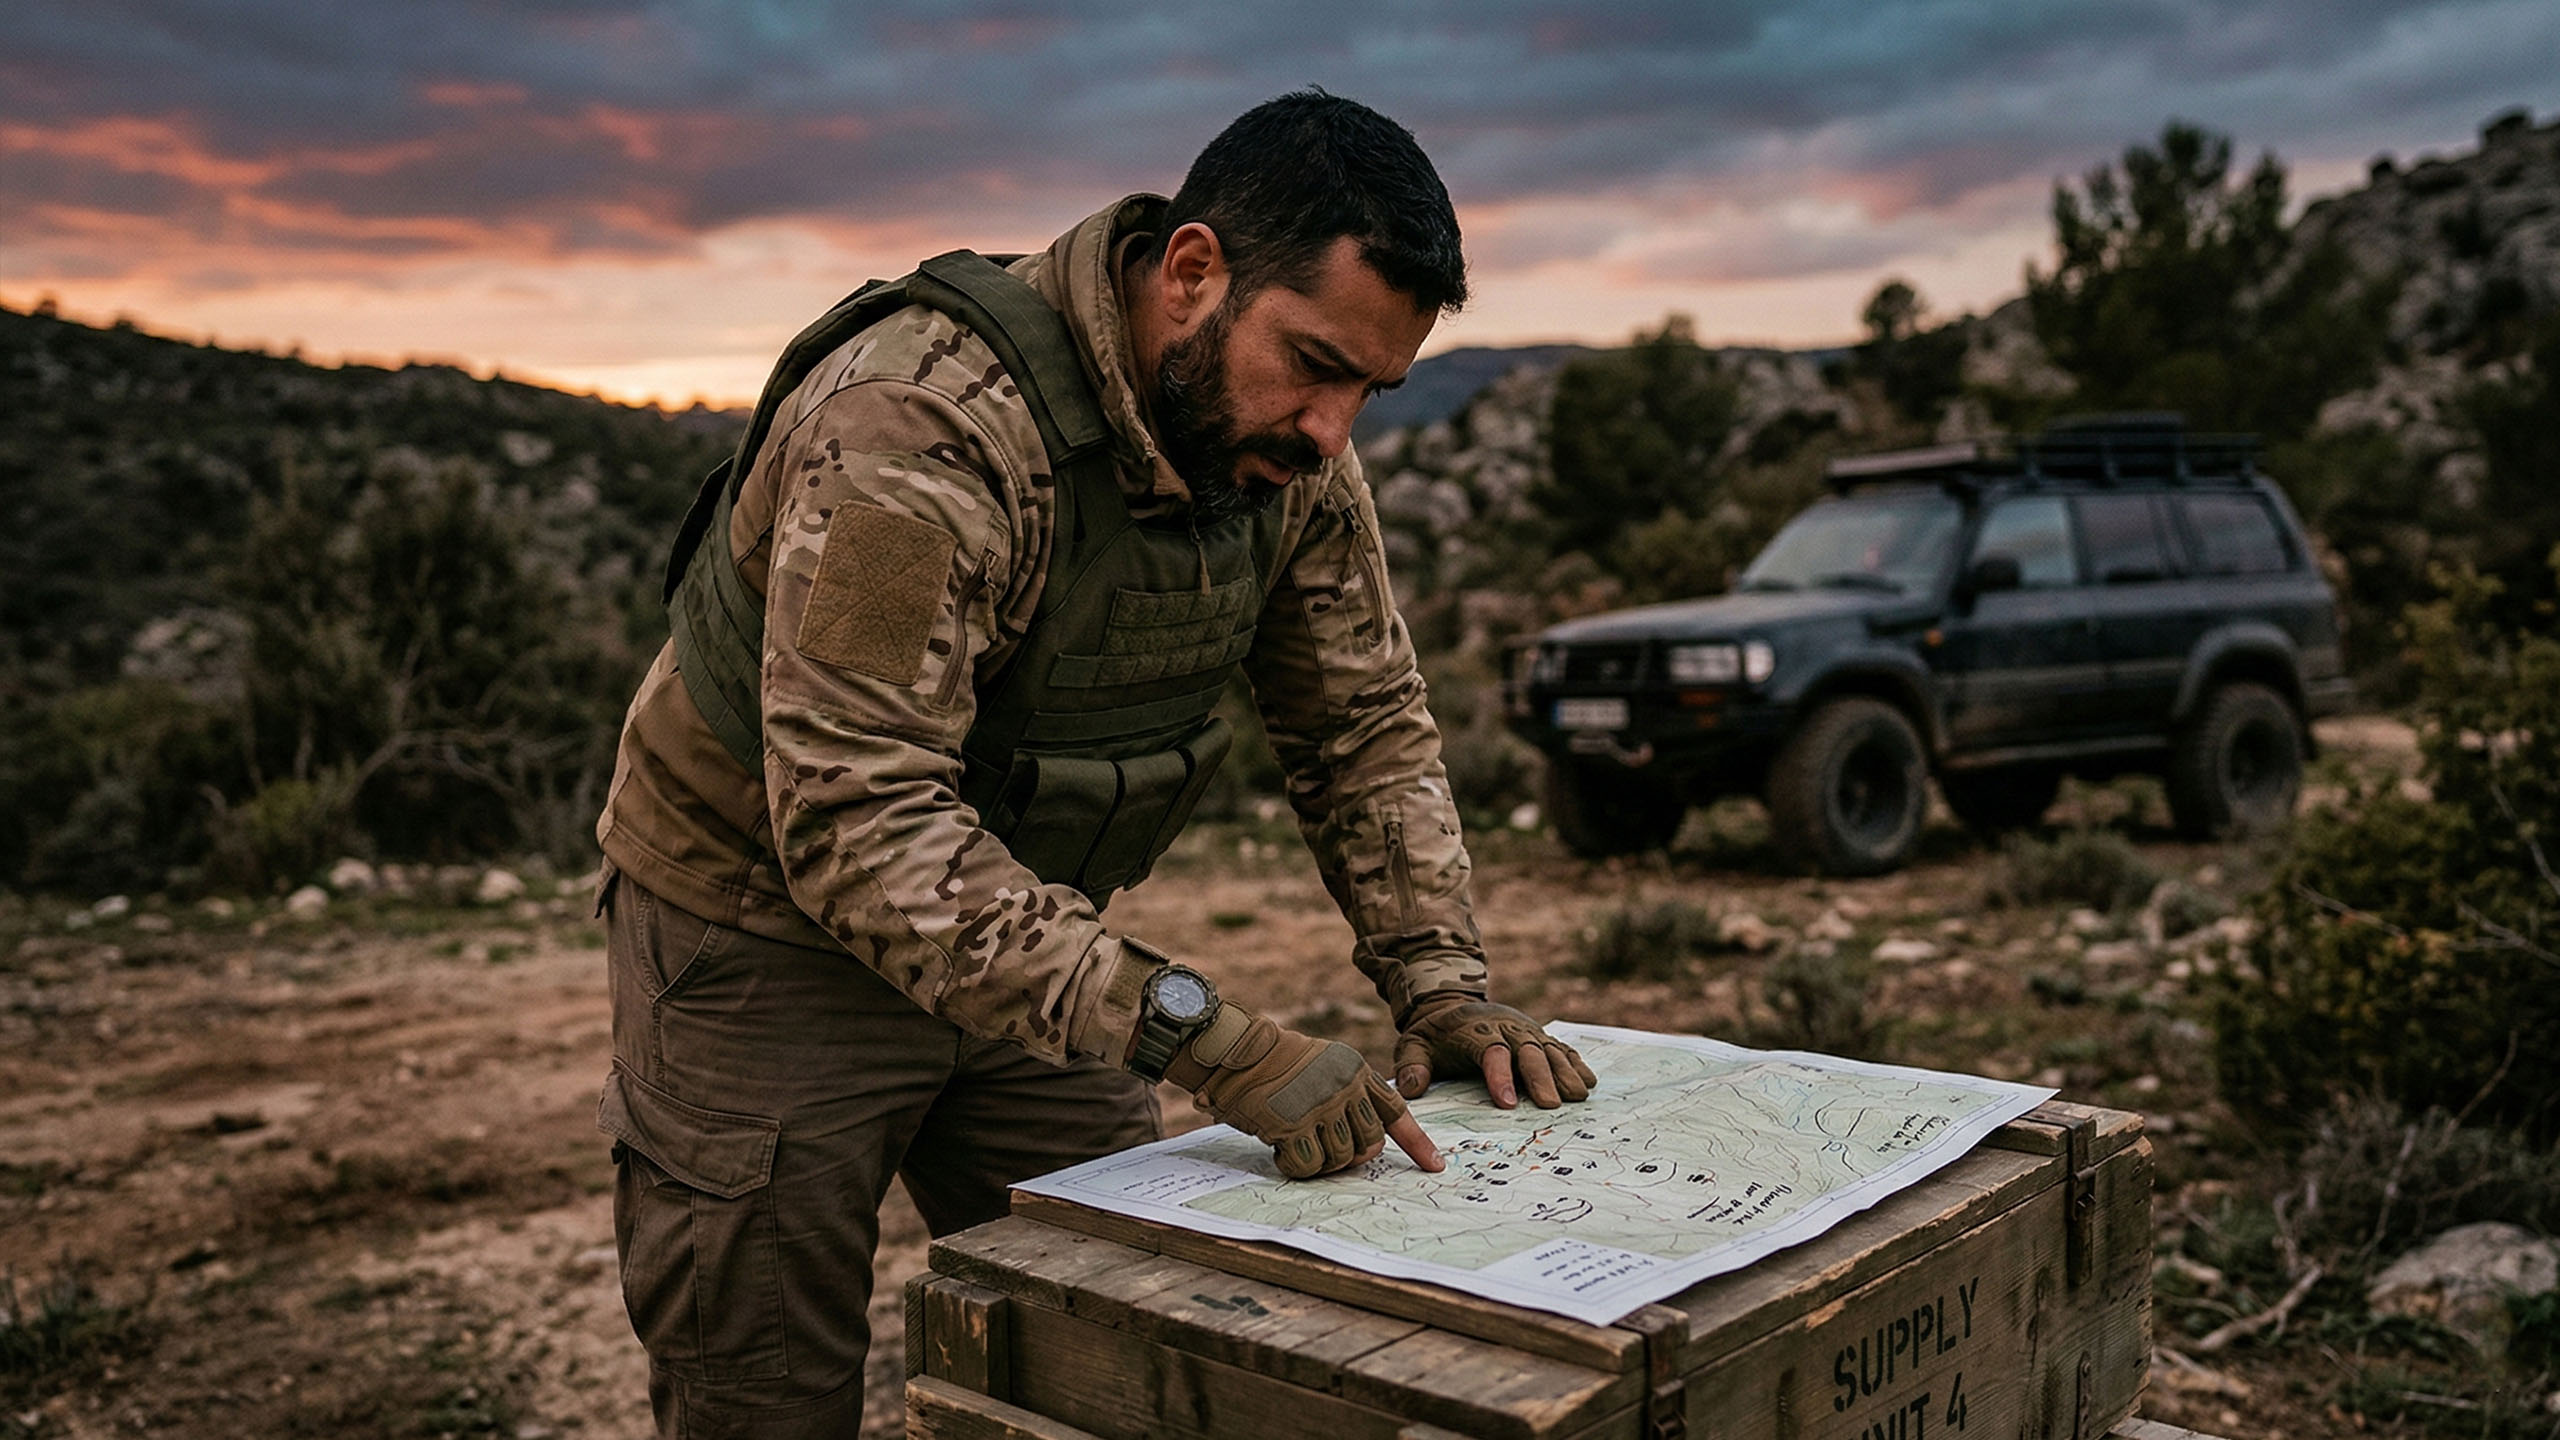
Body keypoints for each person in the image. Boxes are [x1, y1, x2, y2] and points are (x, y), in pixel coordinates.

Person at [593, 89, 1595, 1437]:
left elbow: (1361, 724)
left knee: (1125, 1342)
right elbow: (862, 823)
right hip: (760, 940)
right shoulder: (922, 428)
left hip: (1018, 939)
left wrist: (1442, 984)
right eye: (1312, 363)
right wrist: (1213, 1041)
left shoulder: (1286, 458)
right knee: (762, 1393)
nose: (1331, 432)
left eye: (1371, 387)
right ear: (1193, 271)